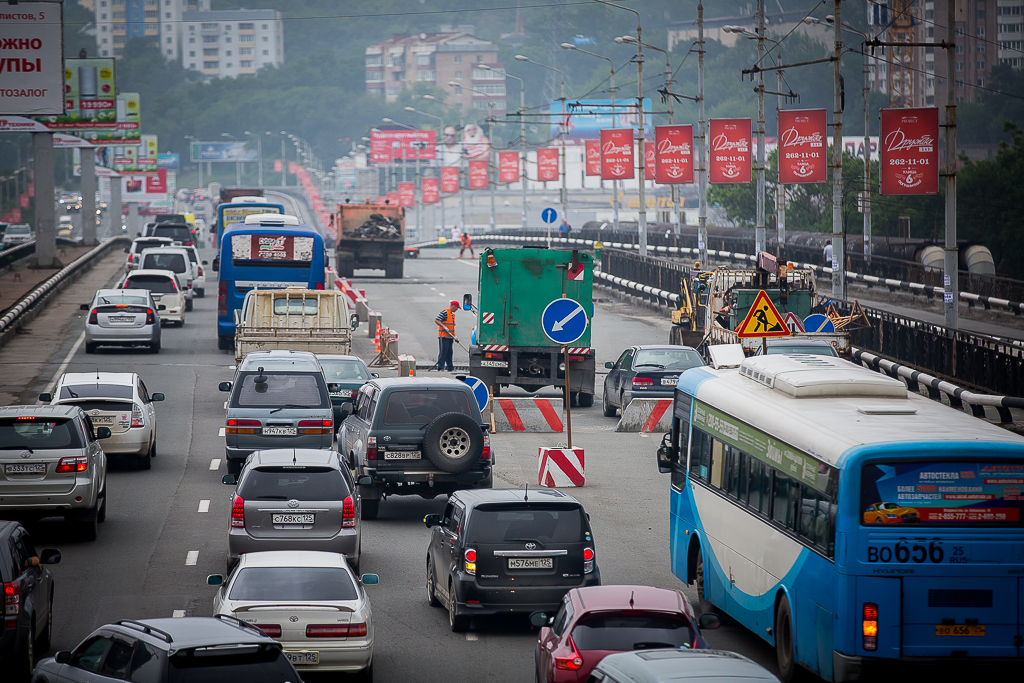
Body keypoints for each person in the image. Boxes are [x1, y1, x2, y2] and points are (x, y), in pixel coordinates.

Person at [434, 300, 460, 371]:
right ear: (453, 306)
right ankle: (440, 367)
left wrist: (455, 336)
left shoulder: (452, 315)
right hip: (443, 336)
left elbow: (452, 327)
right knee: (443, 352)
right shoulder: (445, 312)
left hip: (450, 337)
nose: (457, 309)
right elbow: (437, 320)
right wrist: (444, 327)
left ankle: (450, 368)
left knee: (449, 353)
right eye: (457, 308)